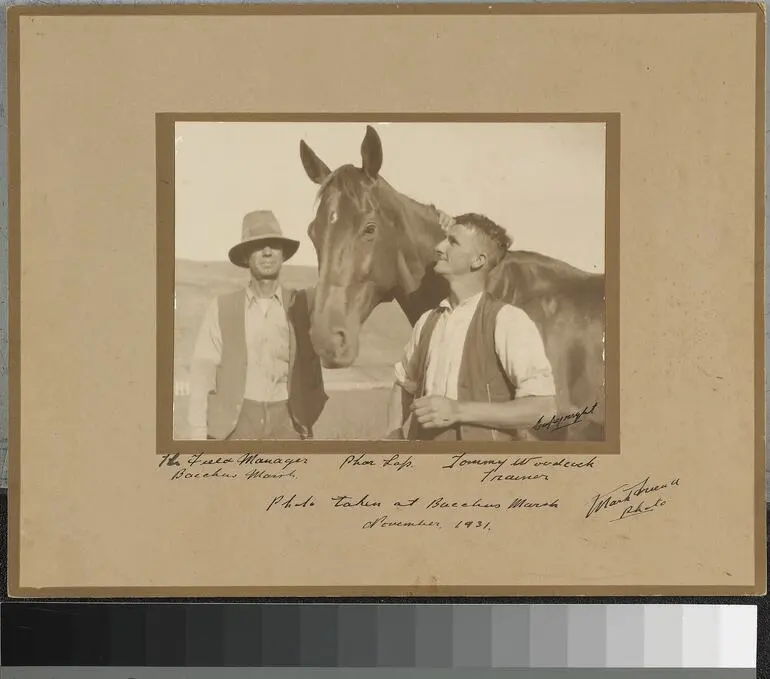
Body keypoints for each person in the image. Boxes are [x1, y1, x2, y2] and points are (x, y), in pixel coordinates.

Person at [386, 212, 557, 441]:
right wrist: (393, 432)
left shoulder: (508, 321)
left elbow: (545, 409)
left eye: (452, 242)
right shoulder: (426, 321)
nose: (438, 247)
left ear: (478, 261)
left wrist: (457, 411)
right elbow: (403, 385)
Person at [186, 210, 327, 440]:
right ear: (244, 257)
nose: (268, 252)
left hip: (289, 424)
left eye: (274, 245)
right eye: (259, 246)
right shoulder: (221, 308)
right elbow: (202, 373)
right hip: (235, 426)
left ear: (283, 255)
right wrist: (198, 433)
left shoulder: (304, 305)